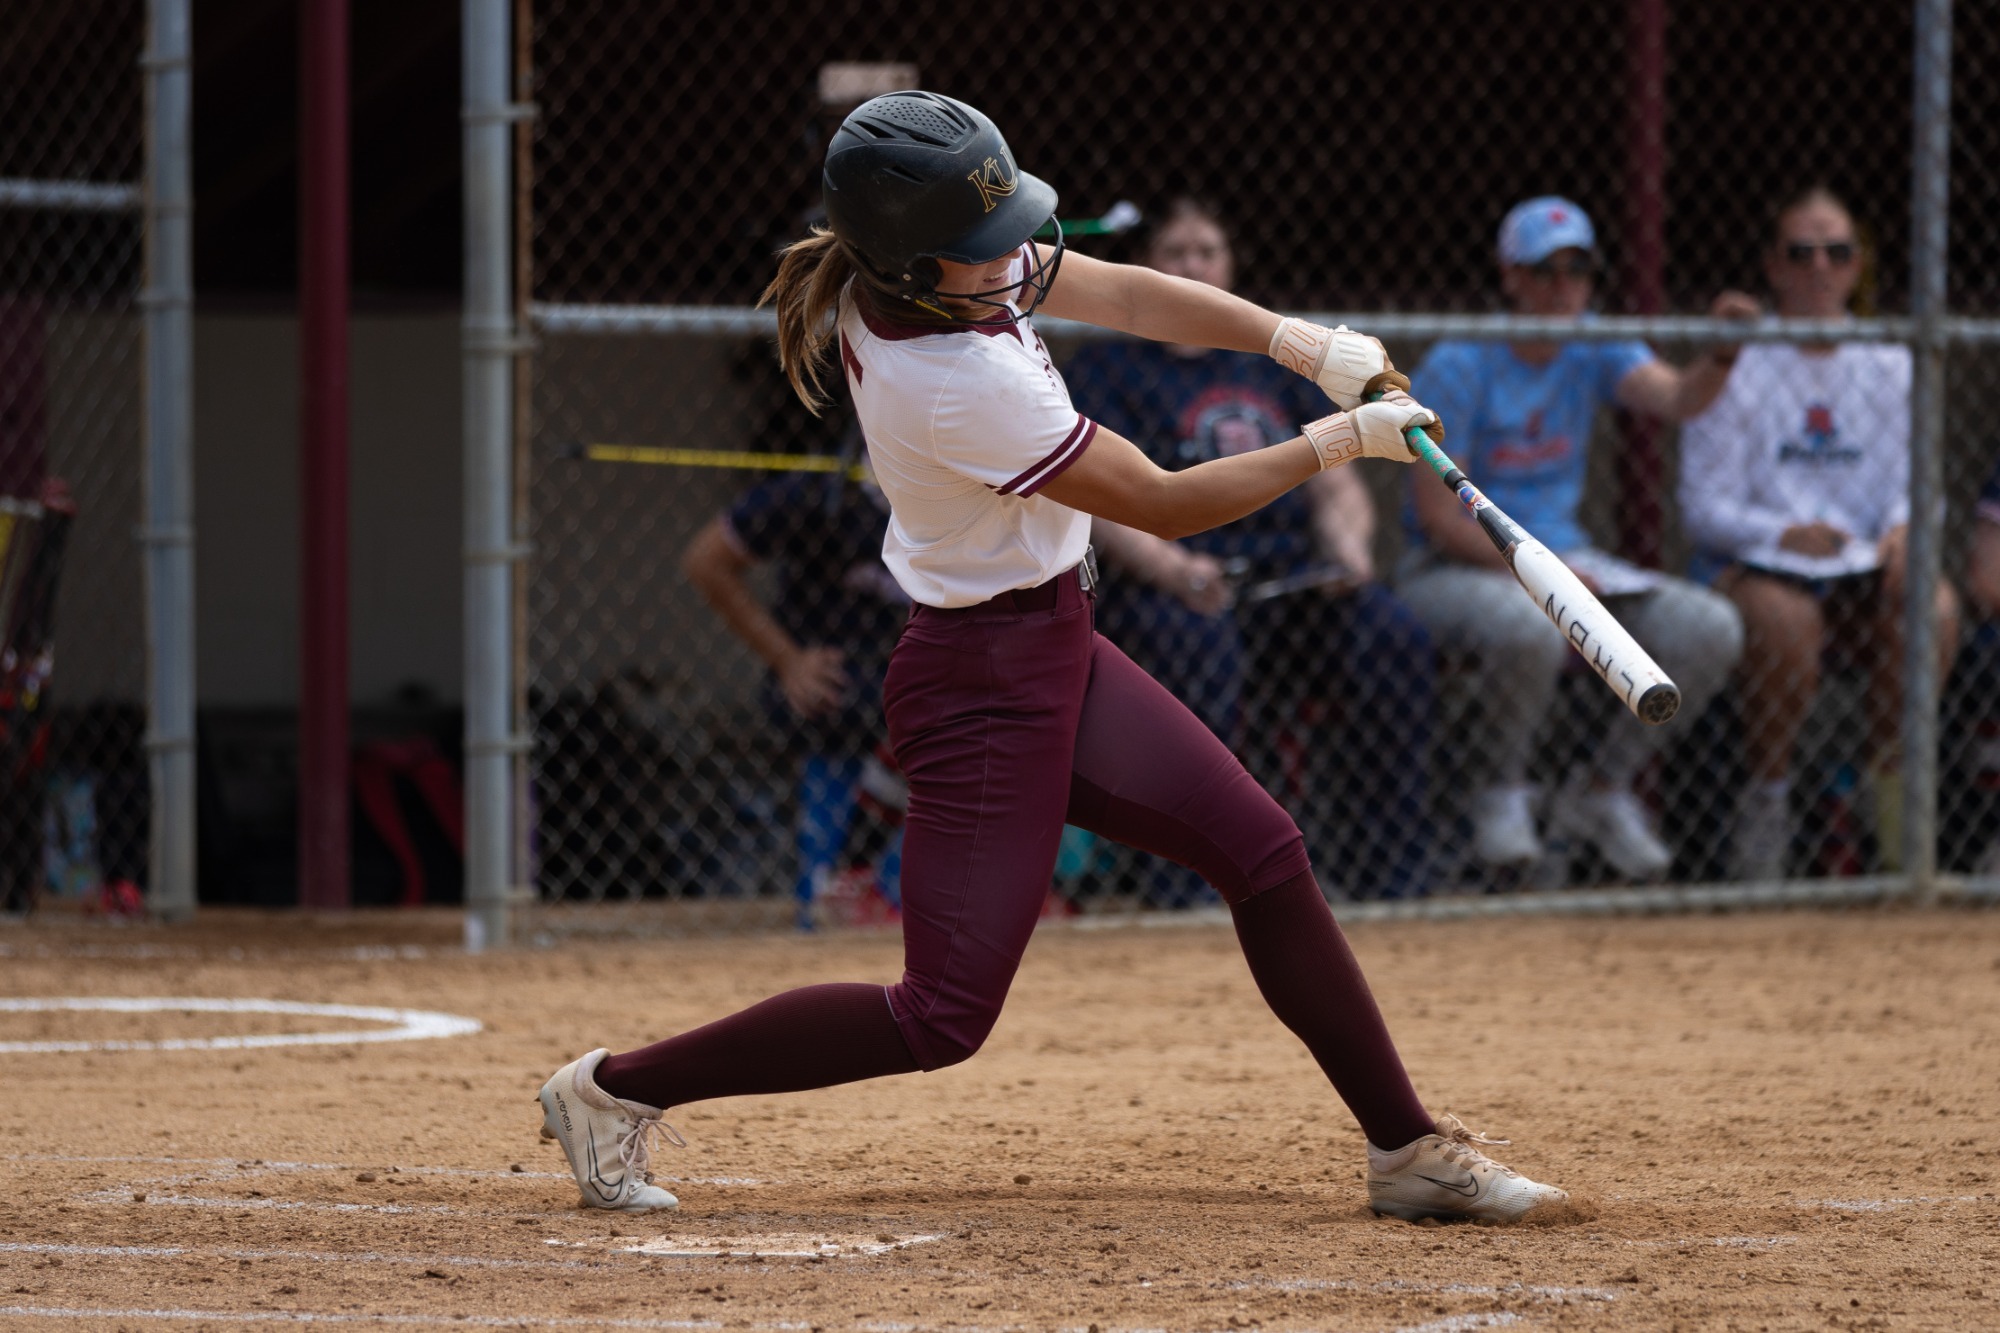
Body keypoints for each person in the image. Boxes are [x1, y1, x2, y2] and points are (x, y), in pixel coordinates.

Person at [536, 91, 1565, 1224]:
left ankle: (1403, 1146)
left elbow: (1119, 289)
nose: (1010, 260)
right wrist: (1335, 440)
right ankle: (611, 1090)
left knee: (1261, 851)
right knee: (939, 1015)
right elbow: (1165, 504)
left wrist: (1293, 342)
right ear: (914, 264)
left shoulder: (926, 271)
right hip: (980, 689)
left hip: (1055, 644)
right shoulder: (954, 384)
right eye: (979, 250)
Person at [1064, 198, 1435, 900]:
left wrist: (1349, 552)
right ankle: (1190, 887)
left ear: (1230, 265)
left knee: (1392, 635)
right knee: (1198, 649)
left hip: (1290, 579)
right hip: (1177, 585)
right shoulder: (1109, 367)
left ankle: (1393, 873)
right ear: (1150, 267)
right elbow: (1096, 494)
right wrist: (1173, 569)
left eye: (1208, 251)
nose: (1194, 265)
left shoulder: (1263, 364)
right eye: (1177, 253)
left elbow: (1337, 484)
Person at [1402, 196, 1750, 881]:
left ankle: (1599, 789)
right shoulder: (1459, 361)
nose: (1564, 288)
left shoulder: (1592, 338)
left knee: (1709, 627)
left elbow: (1678, 398)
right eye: (1546, 271)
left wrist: (1722, 352)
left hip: (1571, 559)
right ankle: (1497, 790)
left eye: (1579, 270)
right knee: (1530, 625)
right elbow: (1442, 521)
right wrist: (1545, 573)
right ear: (1511, 276)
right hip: (1452, 568)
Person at [1679, 186, 1962, 880]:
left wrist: (1903, 530)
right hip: (1765, 566)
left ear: (1857, 264)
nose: (1819, 268)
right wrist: (1783, 531)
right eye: (1801, 252)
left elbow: (1919, 486)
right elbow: (1702, 505)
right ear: (1773, 267)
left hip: (1864, 565)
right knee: (1786, 616)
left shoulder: (1891, 365)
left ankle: (1891, 812)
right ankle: (1767, 806)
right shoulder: (1739, 360)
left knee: (1935, 603)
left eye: (1837, 252)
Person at [681, 457, 911, 922]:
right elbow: (706, 561)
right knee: (841, 720)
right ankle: (837, 907)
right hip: (842, 695)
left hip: (921, 697)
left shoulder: (967, 491)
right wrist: (787, 660)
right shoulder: (821, 491)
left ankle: (899, 904)